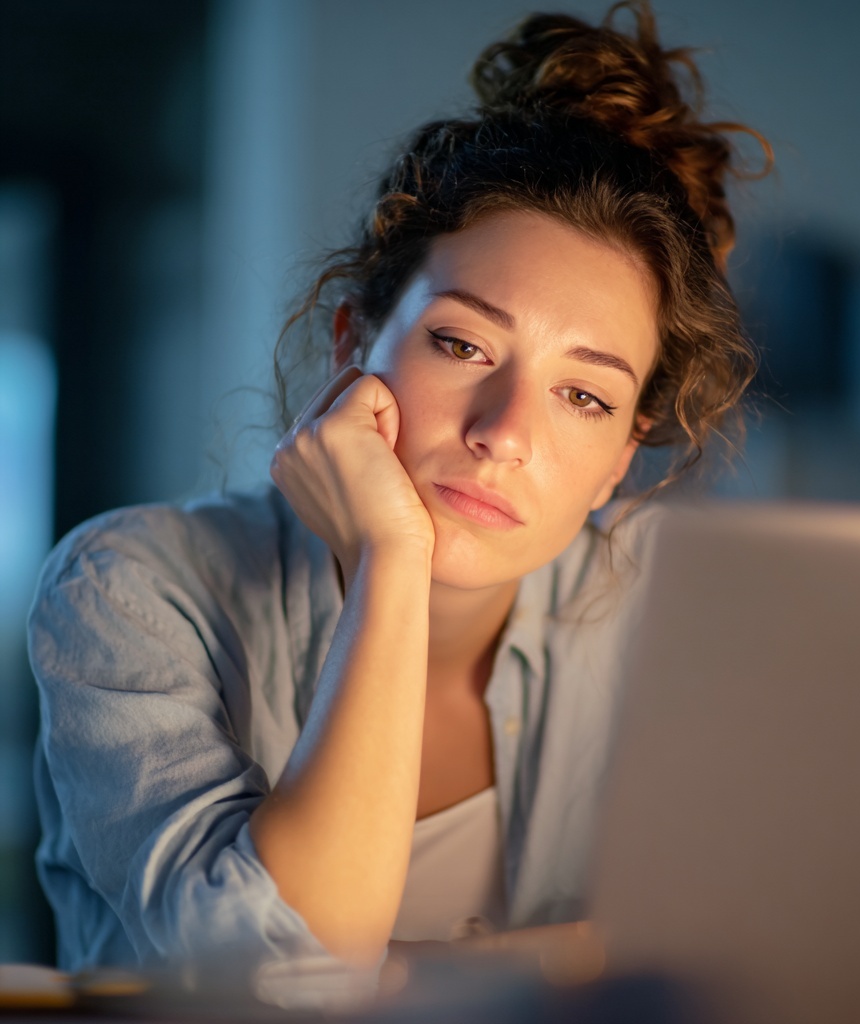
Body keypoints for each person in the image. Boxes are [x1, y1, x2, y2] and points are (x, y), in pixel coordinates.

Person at [28, 0, 768, 979]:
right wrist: (393, 560)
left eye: (582, 395)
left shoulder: (663, 628)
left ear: (621, 461)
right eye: (461, 344)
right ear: (353, 345)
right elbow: (277, 976)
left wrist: (400, 972)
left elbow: (747, 952)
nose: (503, 432)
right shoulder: (131, 588)